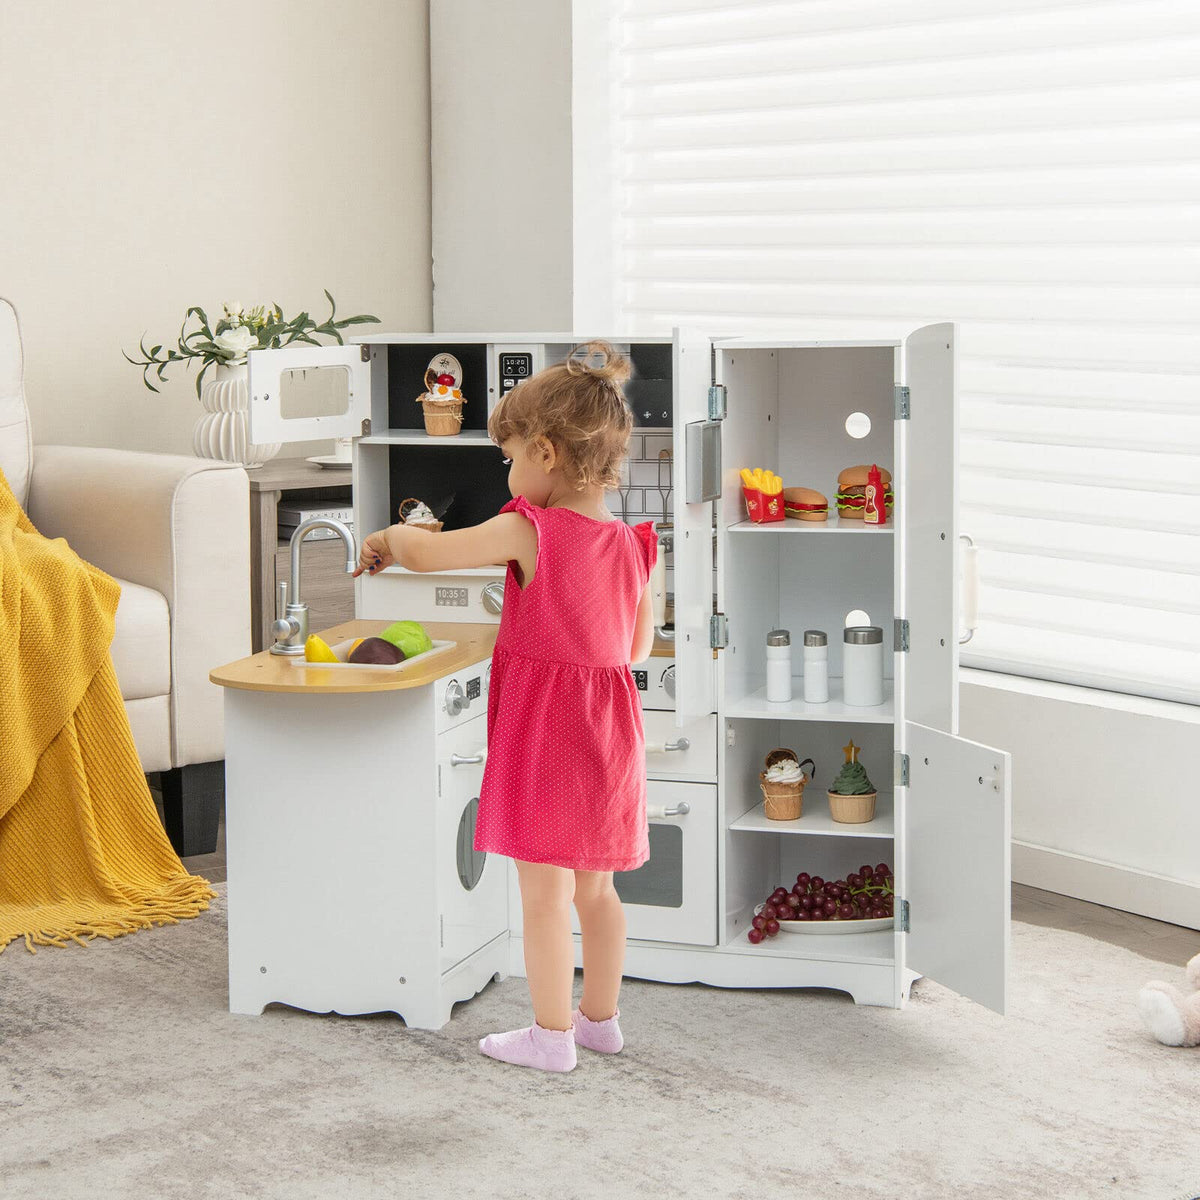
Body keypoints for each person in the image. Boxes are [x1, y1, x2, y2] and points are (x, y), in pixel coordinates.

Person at [354, 342, 656, 1072]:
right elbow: (639, 647)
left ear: (546, 454)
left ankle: (550, 1039)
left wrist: (390, 537)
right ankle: (600, 1021)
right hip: (611, 730)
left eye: (510, 455)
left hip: (548, 731)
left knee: (542, 892)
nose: (509, 471)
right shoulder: (638, 544)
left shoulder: (531, 529)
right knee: (597, 889)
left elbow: (430, 556)